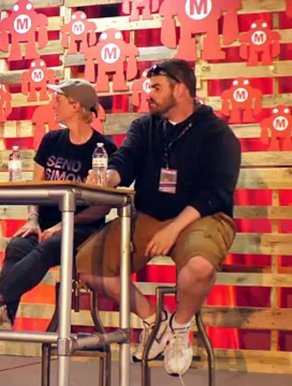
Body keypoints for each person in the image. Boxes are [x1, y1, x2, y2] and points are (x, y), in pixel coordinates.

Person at [76, 59, 240, 376]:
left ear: (180, 89)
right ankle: (157, 322)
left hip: (201, 217)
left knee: (200, 267)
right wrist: (106, 178)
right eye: (147, 87)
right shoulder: (145, 126)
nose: (147, 94)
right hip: (151, 215)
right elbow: (125, 161)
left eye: (155, 87)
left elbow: (216, 193)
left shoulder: (216, 133)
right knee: (87, 266)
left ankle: (180, 329)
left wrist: (174, 230)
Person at [0, 79, 117, 330]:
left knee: (54, 243)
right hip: (44, 222)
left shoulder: (104, 149)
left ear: (76, 105)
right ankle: (4, 315)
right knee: (18, 245)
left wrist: (65, 223)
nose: (53, 105)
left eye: (59, 100)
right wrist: (32, 219)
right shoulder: (51, 140)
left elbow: (102, 206)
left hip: (83, 228)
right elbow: (37, 188)